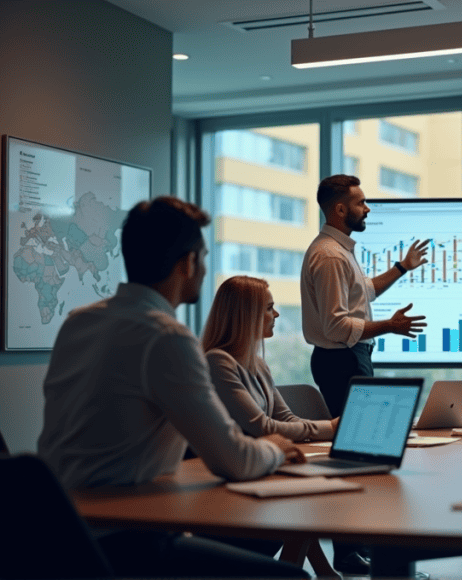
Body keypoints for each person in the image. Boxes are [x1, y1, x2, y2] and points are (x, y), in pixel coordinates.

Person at [37, 196, 307, 578]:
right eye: (204, 257)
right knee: (292, 577)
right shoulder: (166, 337)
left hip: (53, 532)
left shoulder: (79, 323)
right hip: (121, 541)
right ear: (188, 263)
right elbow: (235, 461)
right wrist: (275, 449)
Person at [301, 174, 429, 418]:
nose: (367, 209)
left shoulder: (338, 250)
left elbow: (364, 292)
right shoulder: (331, 256)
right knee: (356, 437)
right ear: (340, 209)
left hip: (347, 358)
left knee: (360, 433)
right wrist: (389, 326)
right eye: (360, 203)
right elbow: (337, 327)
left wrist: (402, 267)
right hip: (342, 361)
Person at [203, 275, 338, 442]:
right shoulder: (217, 362)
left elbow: (286, 419)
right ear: (247, 315)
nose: (276, 314)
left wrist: (331, 427)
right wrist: (331, 427)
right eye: (269, 308)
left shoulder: (258, 364)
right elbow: (262, 427)